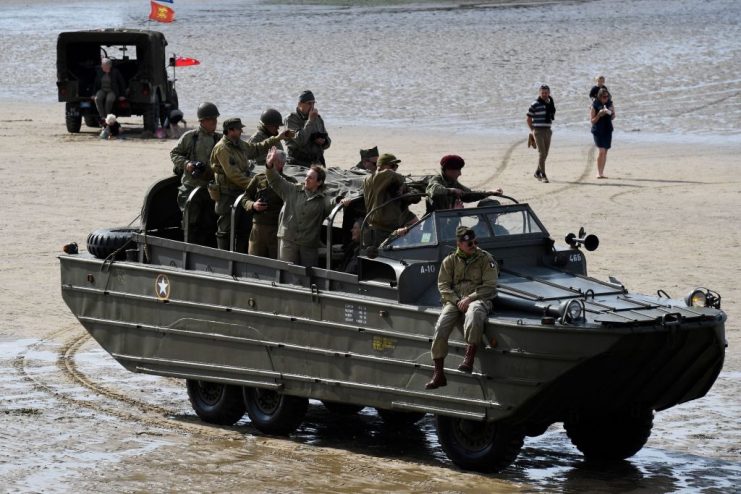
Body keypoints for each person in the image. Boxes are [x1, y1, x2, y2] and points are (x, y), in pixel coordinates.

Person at [426, 226, 498, 389]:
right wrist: (456, 300)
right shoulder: (450, 261)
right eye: (469, 244)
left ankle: (469, 357)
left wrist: (469, 299)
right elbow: (443, 285)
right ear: (459, 244)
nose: (473, 245)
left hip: (478, 298)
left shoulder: (486, 259)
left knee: (474, 314)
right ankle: (438, 373)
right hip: (455, 300)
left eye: (475, 242)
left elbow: (490, 286)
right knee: (441, 326)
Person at [210, 119, 294, 250]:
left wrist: (277, 138)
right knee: (226, 229)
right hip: (228, 193)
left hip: (242, 191)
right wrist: (256, 185)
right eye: (238, 129)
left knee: (244, 227)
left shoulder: (239, 144)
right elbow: (234, 175)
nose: (241, 131)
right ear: (230, 130)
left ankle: (241, 255)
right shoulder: (222, 148)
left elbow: (256, 148)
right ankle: (224, 257)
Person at [264, 147, 339, 268]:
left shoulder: (322, 199)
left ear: (319, 182)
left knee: (308, 275)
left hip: (308, 245)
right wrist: (269, 164)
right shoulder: (292, 190)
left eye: (310, 178)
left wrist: (340, 201)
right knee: (286, 273)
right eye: (306, 176)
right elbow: (275, 180)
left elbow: (332, 202)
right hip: (288, 241)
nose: (306, 179)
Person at [170, 102, 221, 246]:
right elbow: (174, 153)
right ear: (202, 121)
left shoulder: (219, 139)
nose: (214, 122)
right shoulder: (190, 137)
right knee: (190, 222)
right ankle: (189, 249)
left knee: (210, 223)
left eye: (215, 119)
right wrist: (187, 164)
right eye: (211, 119)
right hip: (191, 186)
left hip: (211, 188)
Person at [241, 148, 297, 259]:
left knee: (275, 261)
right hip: (258, 227)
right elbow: (245, 198)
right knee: (254, 260)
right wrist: (253, 205)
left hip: (277, 228)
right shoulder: (259, 178)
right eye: (268, 159)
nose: (269, 162)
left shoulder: (289, 183)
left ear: (281, 164)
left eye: (273, 160)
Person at [362, 153, 417, 247]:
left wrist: (406, 192)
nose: (395, 168)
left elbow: (413, 197)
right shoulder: (376, 177)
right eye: (392, 165)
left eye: (396, 166)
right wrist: (403, 183)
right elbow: (393, 175)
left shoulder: (383, 182)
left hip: (386, 227)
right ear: (380, 167)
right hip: (381, 231)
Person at [426, 155, 503, 211]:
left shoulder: (453, 182)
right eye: (457, 170)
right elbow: (434, 190)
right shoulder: (436, 179)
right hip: (433, 223)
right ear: (448, 171)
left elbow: (469, 195)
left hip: (449, 219)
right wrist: (451, 191)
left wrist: (489, 192)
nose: (460, 174)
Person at [285, 90, 331, 167]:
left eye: (313, 103)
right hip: (297, 162)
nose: (312, 106)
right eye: (309, 103)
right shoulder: (291, 119)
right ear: (300, 104)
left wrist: (324, 142)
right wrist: (310, 121)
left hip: (316, 162)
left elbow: (328, 141)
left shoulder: (317, 119)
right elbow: (300, 140)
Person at [526, 85, 557, 183]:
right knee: (542, 153)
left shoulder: (550, 103)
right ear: (539, 93)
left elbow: (552, 115)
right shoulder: (534, 104)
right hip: (538, 131)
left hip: (548, 130)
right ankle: (543, 175)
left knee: (545, 154)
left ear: (549, 93)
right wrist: (532, 130)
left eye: (546, 93)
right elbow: (528, 119)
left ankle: (537, 172)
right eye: (542, 93)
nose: (544, 94)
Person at [590, 88, 616, 179]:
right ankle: (598, 172)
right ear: (599, 97)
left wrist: (611, 112)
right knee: (601, 151)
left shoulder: (610, 103)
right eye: (604, 97)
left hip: (608, 129)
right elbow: (592, 121)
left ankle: (601, 172)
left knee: (605, 152)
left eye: (607, 96)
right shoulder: (595, 105)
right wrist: (599, 115)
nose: (606, 98)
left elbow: (613, 117)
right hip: (598, 130)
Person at [93, 58, 127, 124]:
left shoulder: (115, 72)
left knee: (109, 100)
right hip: (102, 89)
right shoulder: (100, 72)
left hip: (112, 90)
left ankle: (107, 116)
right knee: (97, 98)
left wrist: (123, 95)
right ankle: (102, 117)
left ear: (109, 66)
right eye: (102, 65)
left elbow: (122, 83)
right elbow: (96, 84)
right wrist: (93, 94)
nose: (102, 67)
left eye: (104, 65)